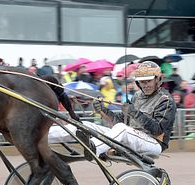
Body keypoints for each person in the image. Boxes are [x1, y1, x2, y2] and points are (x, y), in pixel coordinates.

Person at [48, 61, 176, 157]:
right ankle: (43, 136)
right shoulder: (137, 96)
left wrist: (134, 112)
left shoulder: (165, 100)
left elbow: (157, 130)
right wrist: (103, 110)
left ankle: (94, 149)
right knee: (83, 125)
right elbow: (119, 122)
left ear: (157, 79)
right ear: (138, 83)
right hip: (130, 136)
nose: (146, 85)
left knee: (122, 130)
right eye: (142, 82)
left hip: (153, 143)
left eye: (148, 81)